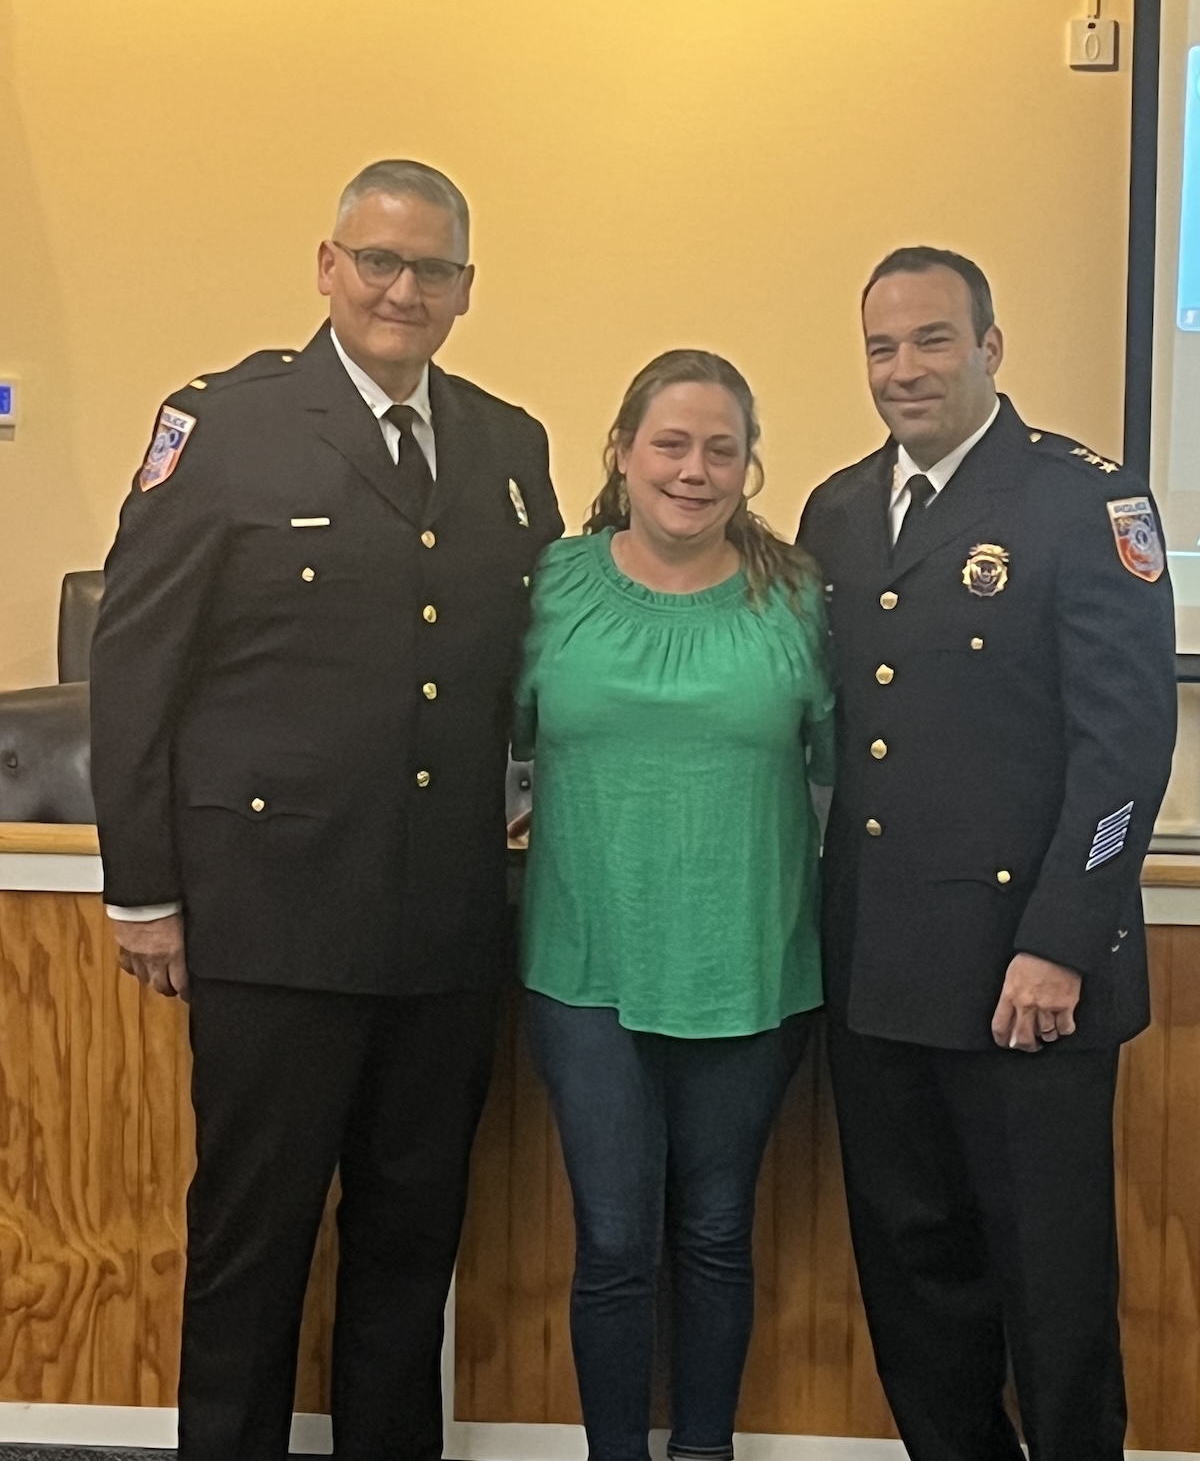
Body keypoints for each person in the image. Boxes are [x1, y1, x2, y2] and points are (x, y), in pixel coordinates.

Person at [89, 159, 562, 1461]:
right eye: (380, 262)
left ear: (468, 289)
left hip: (443, 928)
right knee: (254, 1242)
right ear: (328, 266)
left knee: (413, 1246)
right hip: (271, 921)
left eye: (434, 271)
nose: (404, 290)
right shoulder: (225, 426)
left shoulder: (508, 446)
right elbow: (135, 663)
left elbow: (527, 665)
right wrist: (142, 888)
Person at [798, 247, 1177, 1461]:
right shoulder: (838, 511)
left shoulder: (1086, 501)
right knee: (914, 1274)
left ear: (990, 347)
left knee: (1052, 1287)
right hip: (880, 972)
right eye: (880, 347)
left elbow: (1125, 751)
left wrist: (1061, 941)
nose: (904, 369)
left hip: (1030, 982)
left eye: (931, 340)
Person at [513, 349, 832, 1461]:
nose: (693, 471)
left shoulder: (800, 595)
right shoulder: (546, 585)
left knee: (713, 1232)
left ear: (749, 467)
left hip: (749, 966)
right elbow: (485, 749)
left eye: (721, 449)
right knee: (610, 1241)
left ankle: (704, 1449)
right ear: (621, 451)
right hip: (585, 966)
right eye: (670, 444)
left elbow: (846, 772)